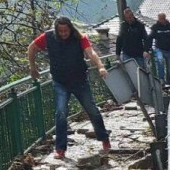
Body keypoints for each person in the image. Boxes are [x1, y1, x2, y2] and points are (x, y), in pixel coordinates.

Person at [27, 16, 111, 160]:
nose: (64, 33)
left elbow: (91, 53)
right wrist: (33, 67)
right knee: (61, 112)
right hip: (60, 82)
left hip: (80, 80)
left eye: (66, 31)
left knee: (92, 109)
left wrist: (101, 66)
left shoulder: (79, 37)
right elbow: (32, 47)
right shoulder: (48, 37)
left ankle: (104, 138)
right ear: (56, 30)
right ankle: (60, 149)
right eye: (61, 31)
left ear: (70, 29)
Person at [149, 12, 170, 86]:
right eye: (160, 19)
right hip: (159, 49)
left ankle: (169, 81)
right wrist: (148, 49)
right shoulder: (155, 27)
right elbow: (150, 38)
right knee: (160, 60)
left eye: (162, 18)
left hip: (169, 49)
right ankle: (161, 79)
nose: (161, 20)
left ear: (165, 18)